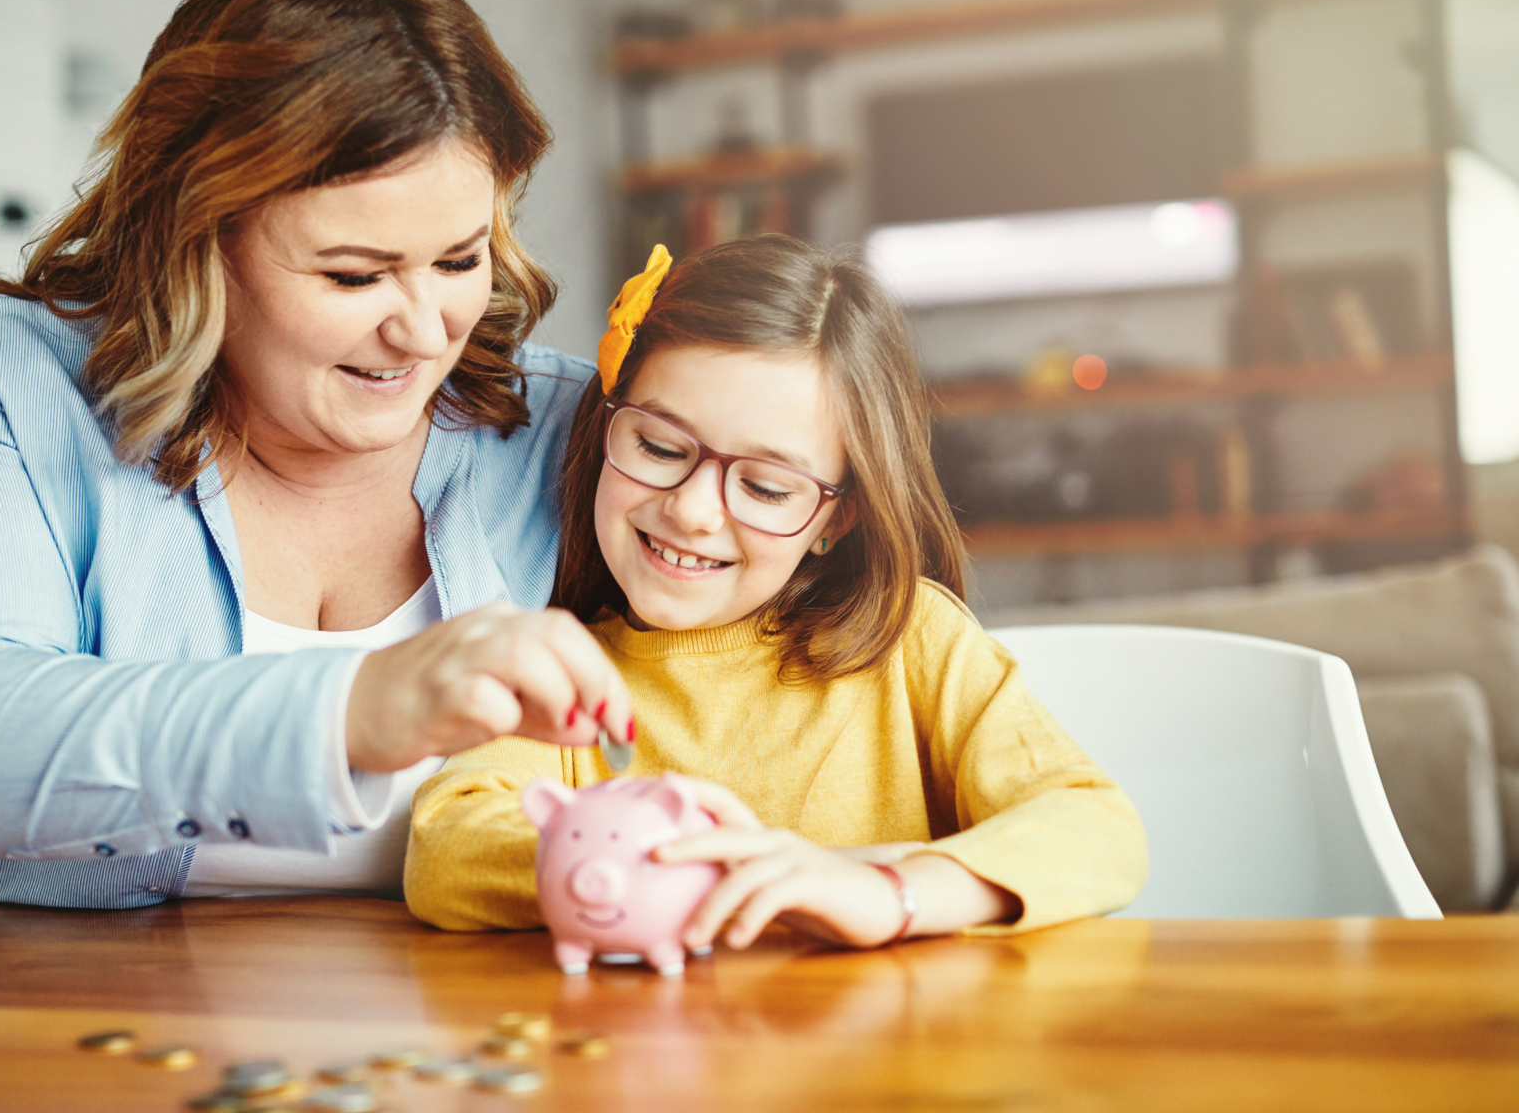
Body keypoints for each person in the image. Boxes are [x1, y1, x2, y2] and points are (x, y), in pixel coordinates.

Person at [0, 0, 630, 908]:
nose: (423, 331)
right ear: (198, 242)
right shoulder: (12, 390)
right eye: (353, 274)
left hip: (386, 1022)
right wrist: (350, 712)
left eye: (459, 260)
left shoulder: (560, 428)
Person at [405, 236, 1148, 946]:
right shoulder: (565, 672)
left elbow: (1094, 826)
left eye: (765, 487)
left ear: (835, 517)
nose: (693, 512)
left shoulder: (913, 642)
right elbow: (447, 849)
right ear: (605, 428)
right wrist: (685, 868)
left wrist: (890, 892)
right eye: (660, 447)